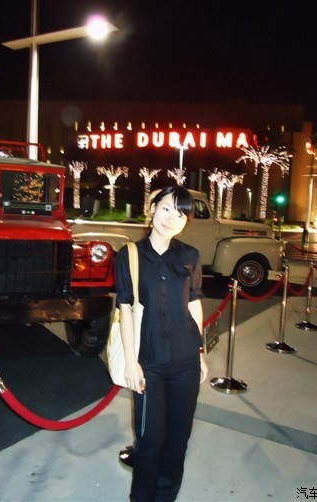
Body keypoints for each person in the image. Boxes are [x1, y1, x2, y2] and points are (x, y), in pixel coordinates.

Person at [115, 185, 208, 502]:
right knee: (150, 440)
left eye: (181, 214)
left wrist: (201, 352)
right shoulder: (130, 255)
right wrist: (131, 362)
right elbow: (125, 308)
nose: (172, 218)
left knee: (178, 439)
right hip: (149, 362)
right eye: (167, 208)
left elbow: (194, 304)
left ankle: (166, 496)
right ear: (152, 209)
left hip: (186, 361)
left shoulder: (190, 255)